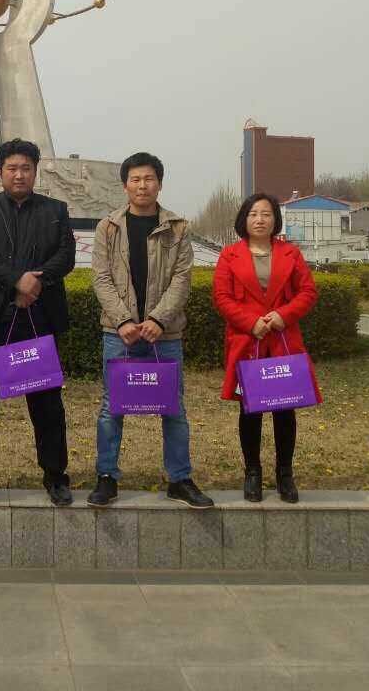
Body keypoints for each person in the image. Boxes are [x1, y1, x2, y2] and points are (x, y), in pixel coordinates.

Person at [88, 153, 214, 509]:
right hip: (119, 335)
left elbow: (182, 278)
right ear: (125, 185)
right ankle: (107, 477)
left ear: (159, 183)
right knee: (112, 408)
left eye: (149, 179)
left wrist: (158, 320)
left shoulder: (177, 227)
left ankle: (180, 479)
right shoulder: (108, 227)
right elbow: (101, 277)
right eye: (135, 179)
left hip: (165, 334)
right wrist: (122, 321)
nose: (142, 185)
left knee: (173, 408)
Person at [0, 138, 75, 506]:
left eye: (26, 168)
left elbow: (66, 255)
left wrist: (36, 283)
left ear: (35, 172)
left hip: (39, 316)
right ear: (0, 172)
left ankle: (55, 475)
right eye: (12, 168)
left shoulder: (55, 210)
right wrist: (16, 282)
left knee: (47, 404)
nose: (19, 174)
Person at [211, 192, 321, 503]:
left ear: (275, 219)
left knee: (285, 409)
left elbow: (307, 291)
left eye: (266, 214)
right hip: (248, 342)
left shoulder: (291, 253)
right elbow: (222, 297)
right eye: (253, 214)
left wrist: (283, 315)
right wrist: (250, 322)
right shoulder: (230, 255)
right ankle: (253, 473)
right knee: (250, 411)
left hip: (282, 340)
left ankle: (285, 474)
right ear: (244, 220)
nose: (260, 219)